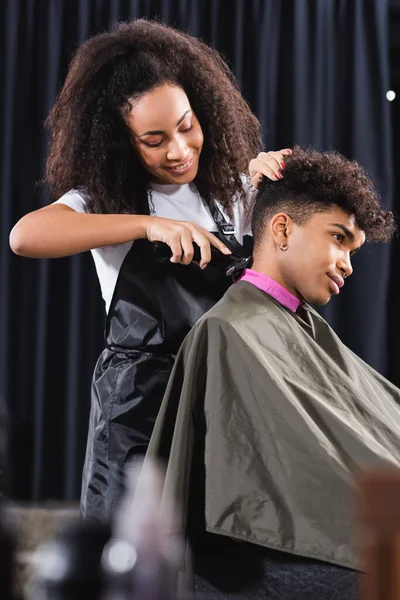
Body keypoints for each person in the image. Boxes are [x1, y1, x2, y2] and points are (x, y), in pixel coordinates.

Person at [9, 19, 289, 521]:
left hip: (222, 404)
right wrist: (146, 225)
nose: (179, 151)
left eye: (187, 127)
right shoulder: (105, 201)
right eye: (154, 139)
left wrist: (274, 182)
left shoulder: (233, 192)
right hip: (139, 416)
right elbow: (24, 237)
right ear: (122, 141)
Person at [144, 146, 399, 599]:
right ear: (282, 228)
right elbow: (298, 470)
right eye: (338, 238)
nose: (347, 263)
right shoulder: (230, 331)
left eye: (353, 249)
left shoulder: (296, 323)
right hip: (268, 561)